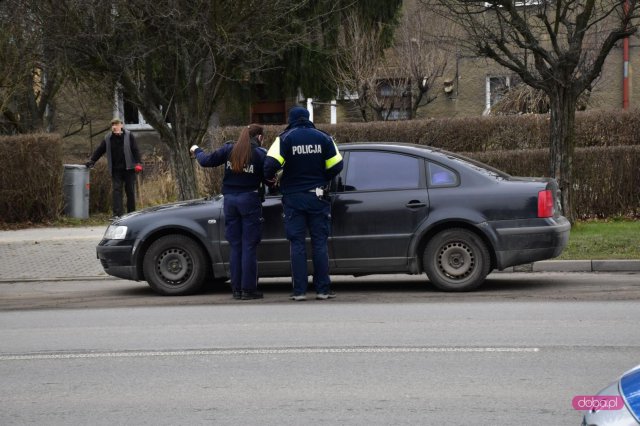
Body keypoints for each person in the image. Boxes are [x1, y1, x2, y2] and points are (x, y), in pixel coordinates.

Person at [264, 106, 343, 301]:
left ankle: (299, 291)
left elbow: (269, 166)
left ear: (291, 120)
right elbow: (337, 165)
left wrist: (274, 179)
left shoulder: (284, 138)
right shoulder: (323, 138)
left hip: (293, 198)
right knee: (319, 243)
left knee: (297, 244)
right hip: (318, 197)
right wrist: (322, 177)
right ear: (308, 118)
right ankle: (323, 290)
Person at [190, 124, 267, 300]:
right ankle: (248, 290)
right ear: (259, 137)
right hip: (250, 201)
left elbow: (205, 161)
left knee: (236, 246)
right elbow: (269, 175)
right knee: (249, 246)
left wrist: (196, 150)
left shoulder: (229, 150)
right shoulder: (260, 154)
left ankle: (237, 289)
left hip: (230, 201)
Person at [85, 117, 143, 219]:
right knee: (117, 191)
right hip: (116, 169)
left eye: (116, 124)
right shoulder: (108, 138)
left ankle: (132, 214)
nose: (115, 126)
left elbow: (135, 150)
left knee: (130, 191)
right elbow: (100, 150)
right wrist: (92, 161)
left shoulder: (129, 135)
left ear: (121, 125)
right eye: (113, 125)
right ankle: (117, 214)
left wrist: (138, 163)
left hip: (129, 168)